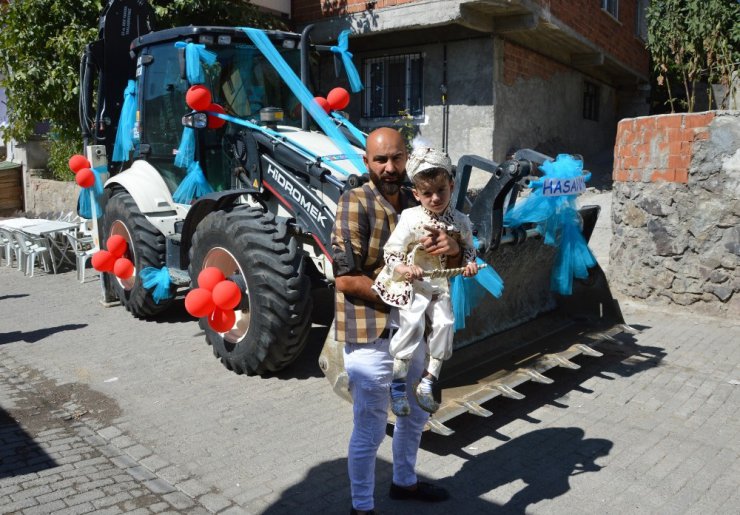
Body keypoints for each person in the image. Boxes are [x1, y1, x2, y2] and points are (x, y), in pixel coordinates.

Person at [332, 128, 458, 515]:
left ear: (408, 158)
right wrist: (404, 294)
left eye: (397, 158)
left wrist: (453, 248)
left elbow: (450, 259)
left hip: (413, 331)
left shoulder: (417, 198)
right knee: (370, 424)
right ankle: (362, 506)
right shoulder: (354, 201)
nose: (390, 167)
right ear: (367, 162)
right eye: (381, 160)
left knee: (415, 414)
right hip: (371, 332)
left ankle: (404, 482)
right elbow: (345, 278)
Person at [372, 146, 478, 417]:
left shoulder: (461, 221)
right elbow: (392, 250)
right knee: (412, 324)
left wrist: (469, 264)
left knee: (445, 323)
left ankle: (428, 381)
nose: (434, 198)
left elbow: (469, 248)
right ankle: (396, 388)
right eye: (427, 193)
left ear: (451, 186)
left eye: (440, 191)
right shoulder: (410, 218)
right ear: (416, 194)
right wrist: (405, 267)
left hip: (439, 284)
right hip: (416, 285)